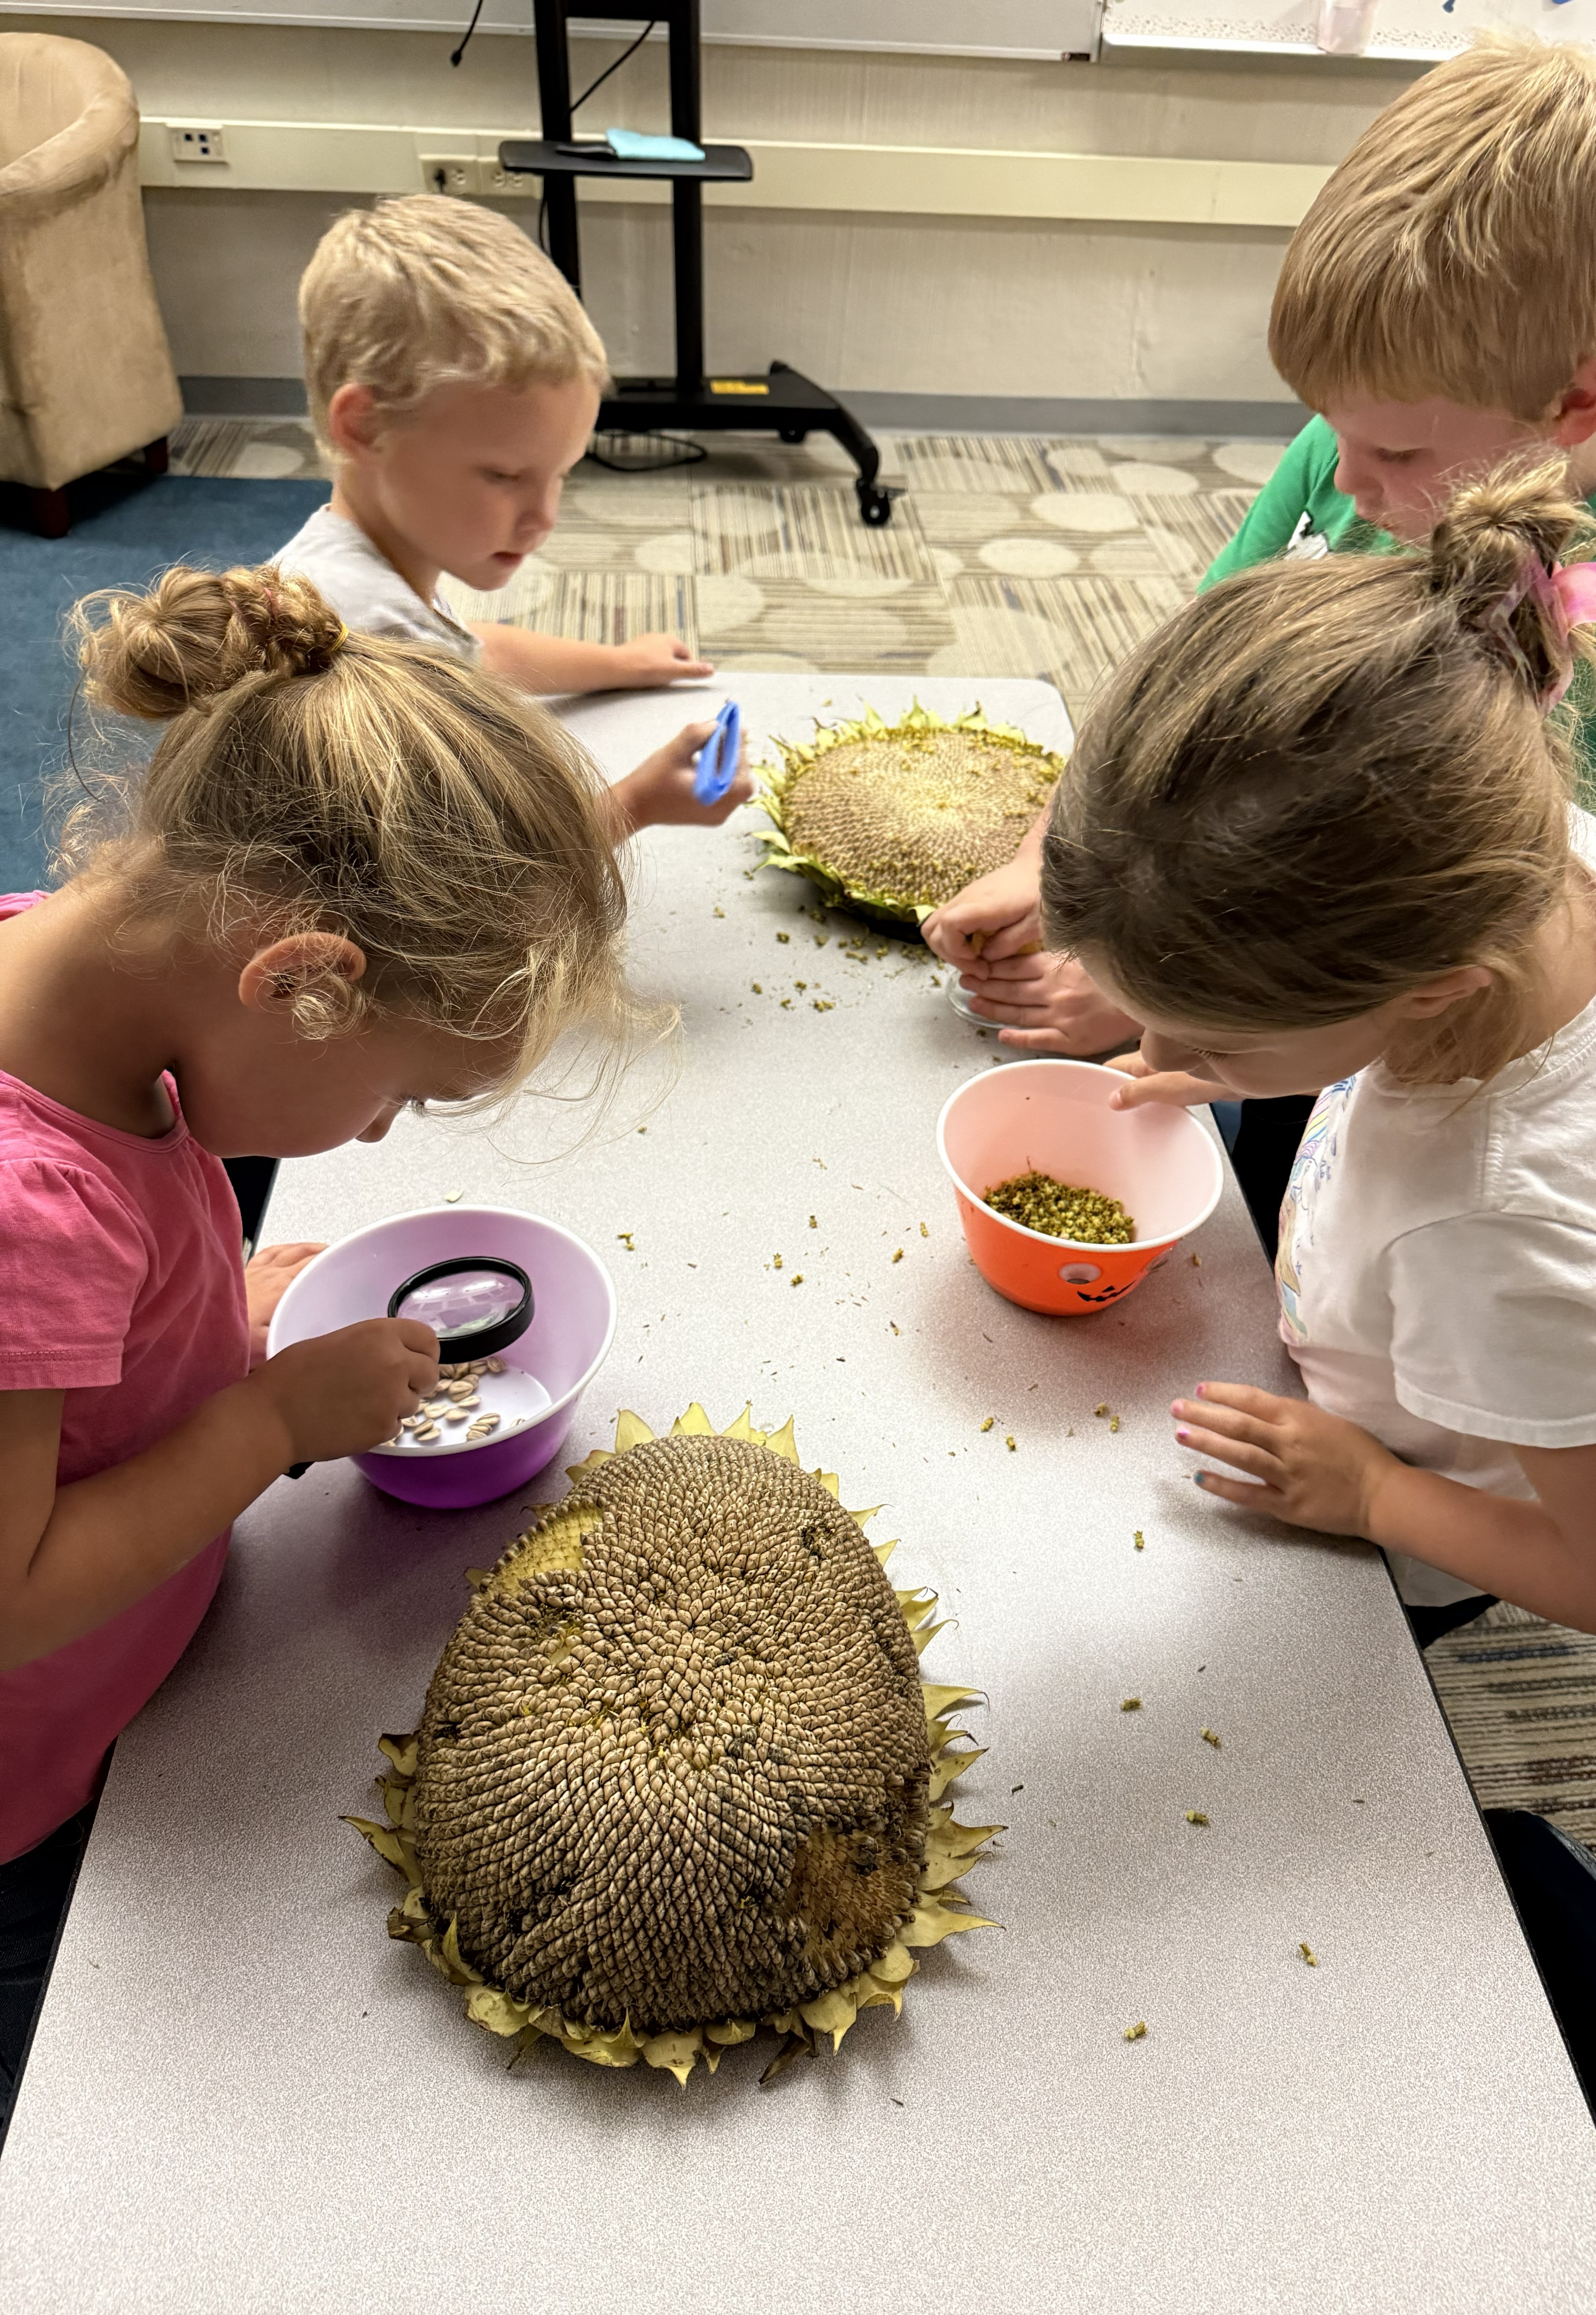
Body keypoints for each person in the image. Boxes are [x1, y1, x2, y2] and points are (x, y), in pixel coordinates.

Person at [0, 565, 646, 2140]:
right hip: (45, 1798)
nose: (373, 1136)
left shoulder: (73, 983)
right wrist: (271, 1419)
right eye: (399, 1095)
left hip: (172, 1676)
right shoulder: (27, 1214)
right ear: (301, 981)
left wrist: (204, 1310)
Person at [925, 34, 1596, 1251]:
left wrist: (1161, 1007)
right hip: (1251, 961)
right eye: (1328, 427)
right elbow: (1188, 691)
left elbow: (1435, 936)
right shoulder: (1355, 453)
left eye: (1392, 450)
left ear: (1574, 405)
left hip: (1370, 1005)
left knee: (1310, 1230)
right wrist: (1051, 862)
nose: (1343, 478)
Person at [1040, 460, 1596, 1649]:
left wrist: (1372, 1497)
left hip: (1411, 1515)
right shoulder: (1538, 850)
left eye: (1211, 1036)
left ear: (1428, 989)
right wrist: (1235, 1057)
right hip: (1388, 1335)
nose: (1156, 1053)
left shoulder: (1496, 1242)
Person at [277, 195, 750, 838]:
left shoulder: (339, 570)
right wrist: (637, 804)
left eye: (562, 474)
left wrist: (622, 663)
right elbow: (477, 879)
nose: (543, 519)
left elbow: (476, 652)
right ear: (364, 426)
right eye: (503, 477)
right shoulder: (376, 659)